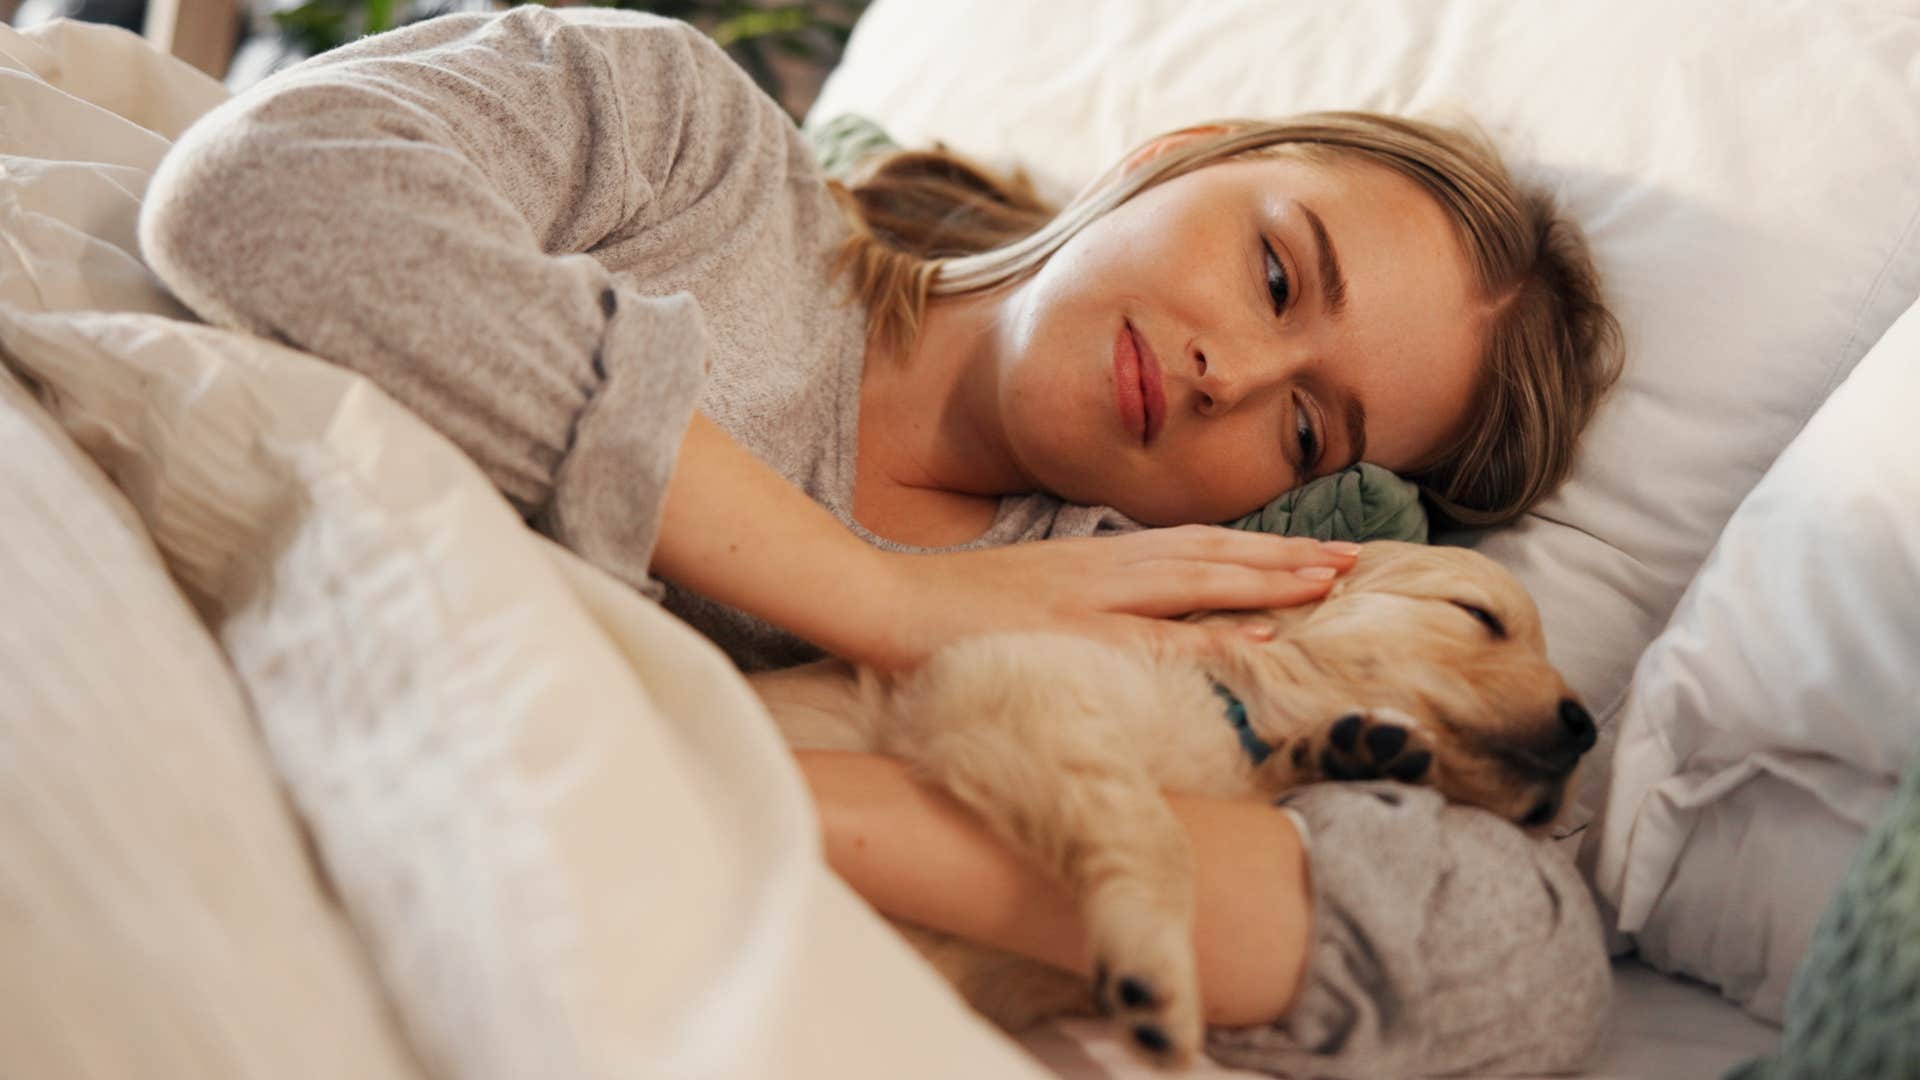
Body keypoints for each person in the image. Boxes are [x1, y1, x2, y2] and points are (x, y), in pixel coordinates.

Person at [138, 6, 1624, 1075]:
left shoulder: (1143, 649)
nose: (1228, 372)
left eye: (1304, 432)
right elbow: (262, 191)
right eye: (1277, 274)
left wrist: (710, 780)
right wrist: (880, 601)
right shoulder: (692, 156)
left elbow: (1514, 969)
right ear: (1180, 155)